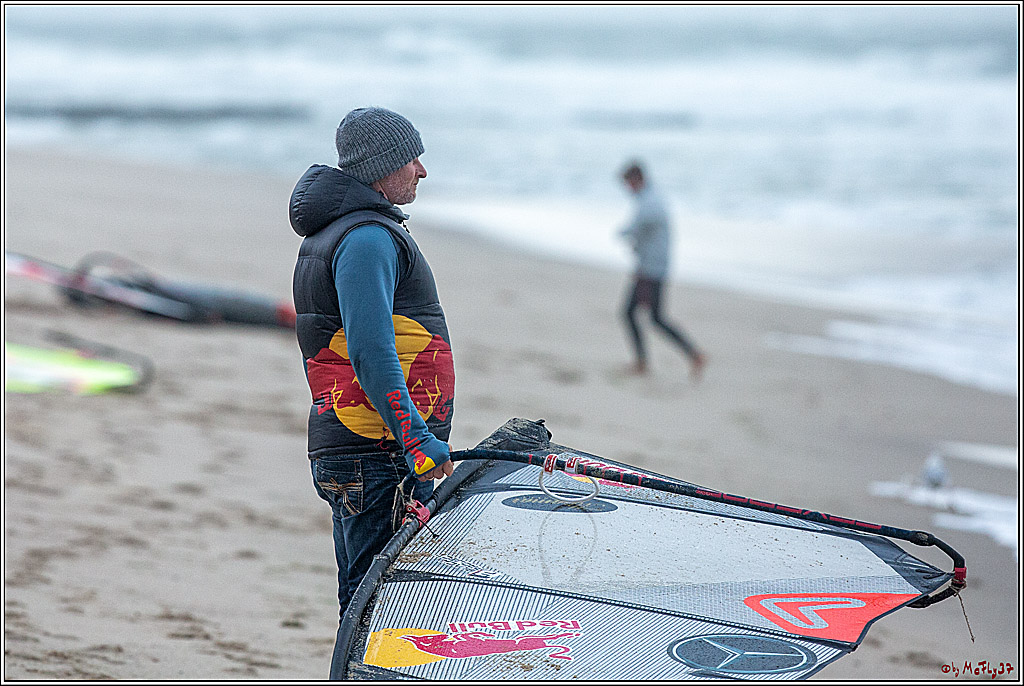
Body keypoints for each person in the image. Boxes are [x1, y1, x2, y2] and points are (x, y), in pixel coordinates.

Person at [288, 106, 455, 678]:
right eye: (412, 157)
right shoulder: (365, 240)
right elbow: (370, 351)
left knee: (372, 602)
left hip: (363, 449)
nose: (422, 171)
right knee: (376, 609)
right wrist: (415, 438)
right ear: (382, 167)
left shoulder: (350, 233)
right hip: (375, 452)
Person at [618, 161, 706, 379]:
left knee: (641, 315)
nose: (627, 189)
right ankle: (686, 355)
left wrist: (642, 266)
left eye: (628, 184)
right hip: (653, 267)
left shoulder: (650, 204)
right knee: (647, 316)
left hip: (652, 270)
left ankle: (686, 355)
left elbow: (636, 233)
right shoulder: (650, 199)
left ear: (636, 180)